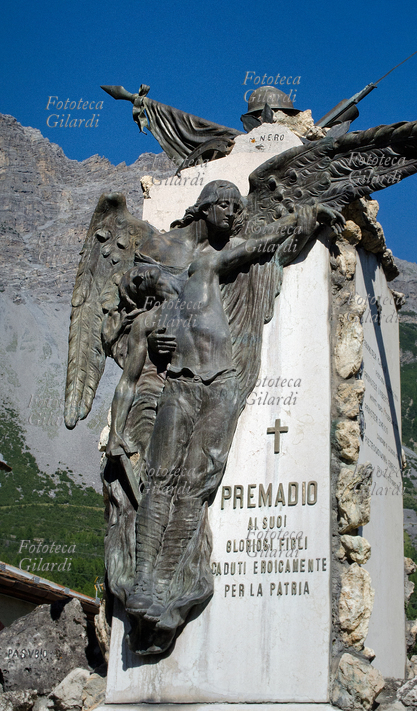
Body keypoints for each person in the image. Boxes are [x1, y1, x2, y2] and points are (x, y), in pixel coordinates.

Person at [105, 180, 338, 653]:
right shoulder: (152, 321)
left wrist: (299, 220)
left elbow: (255, 247)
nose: (232, 215)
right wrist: (115, 435)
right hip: (181, 386)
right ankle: (145, 580)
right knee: (161, 479)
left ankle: (167, 581)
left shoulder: (207, 265)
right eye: (225, 207)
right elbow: (129, 375)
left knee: (196, 484)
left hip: (221, 385)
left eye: (237, 208)